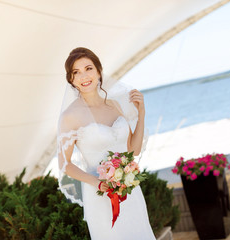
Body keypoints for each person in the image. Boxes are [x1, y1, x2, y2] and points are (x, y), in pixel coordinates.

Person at [57, 47, 156, 239]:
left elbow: (132, 151)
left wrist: (141, 114)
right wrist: (98, 183)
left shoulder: (114, 105)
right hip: (101, 195)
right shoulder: (70, 116)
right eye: (76, 73)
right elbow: (65, 164)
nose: (84, 76)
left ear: (99, 71)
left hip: (130, 190)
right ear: (71, 80)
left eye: (88, 68)